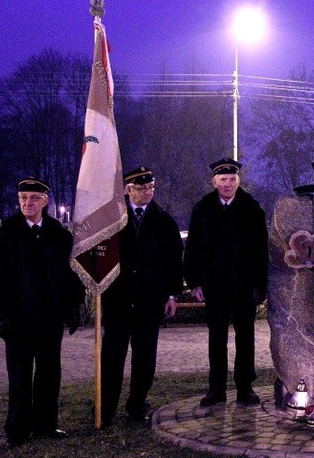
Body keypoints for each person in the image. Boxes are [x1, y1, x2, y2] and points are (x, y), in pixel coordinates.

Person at [0, 177, 85, 447]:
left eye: (34, 198)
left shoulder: (58, 235)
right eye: (23, 197)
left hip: (50, 319)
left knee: (50, 375)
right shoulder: (4, 235)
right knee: (19, 378)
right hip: (18, 320)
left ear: (45, 201)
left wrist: (74, 305)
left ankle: (46, 425)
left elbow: (64, 275)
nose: (28, 202)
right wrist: (2, 315)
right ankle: (17, 430)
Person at [100, 167, 183, 426]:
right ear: (127, 190)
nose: (146, 192)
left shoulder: (164, 221)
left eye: (150, 188)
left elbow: (174, 262)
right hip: (118, 301)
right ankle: (106, 406)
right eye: (140, 188)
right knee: (112, 356)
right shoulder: (112, 220)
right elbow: (100, 257)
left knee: (145, 357)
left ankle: (137, 404)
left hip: (149, 301)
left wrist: (171, 294)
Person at [184, 158, 269, 406]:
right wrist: (195, 282)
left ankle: (245, 388)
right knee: (216, 338)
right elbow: (193, 249)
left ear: (238, 181)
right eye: (223, 180)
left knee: (245, 338)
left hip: (244, 287)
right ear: (214, 182)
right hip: (215, 286)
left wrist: (259, 285)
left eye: (232, 179)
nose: (228, 184)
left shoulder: (252, 208)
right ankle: (216, 390)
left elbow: (260, 251)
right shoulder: (203, 209)